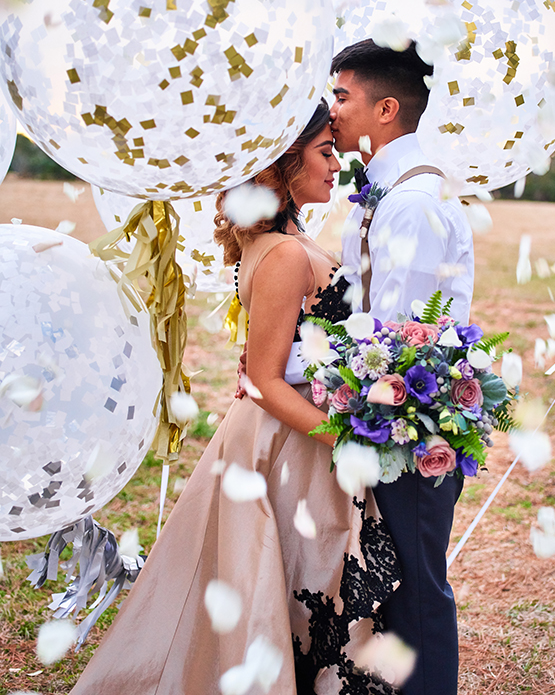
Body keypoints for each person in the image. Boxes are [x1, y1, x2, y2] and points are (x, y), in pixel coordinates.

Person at [69, 100, 401, 695]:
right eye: (324, 152)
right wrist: (345, 439)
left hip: (293, 426)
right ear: (281, 166)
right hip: (288, 441)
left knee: (300, 581)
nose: (337, 162)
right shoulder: (285, 253)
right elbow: (269, 380)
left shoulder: (290, 239)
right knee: (290, 580)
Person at [330, 39, 475, 695]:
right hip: (383, 414)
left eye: (342, 97)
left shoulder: (413, 202)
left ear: (385, 108)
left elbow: (401, 337)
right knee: (388, 582)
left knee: (416, 589)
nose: (330, 110)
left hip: (410, 421)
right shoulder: (385, 188)